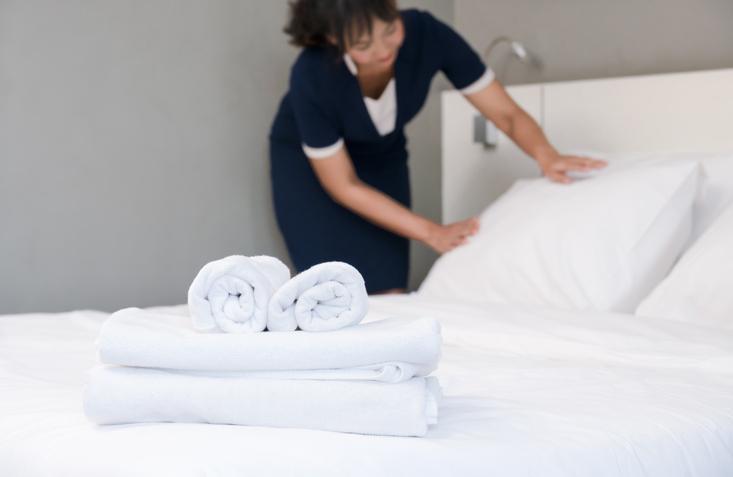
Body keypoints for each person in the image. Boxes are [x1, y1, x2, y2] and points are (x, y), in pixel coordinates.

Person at [269, 0, 605, 294]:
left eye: (390, 30)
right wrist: (432, 232)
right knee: (331, 289)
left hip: (382, 155)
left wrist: (546, 155)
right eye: (363, 43)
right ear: (333, 38)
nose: (384, 49)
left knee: (388, 283)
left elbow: (505, 112)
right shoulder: (313, 74)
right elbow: (342, 184)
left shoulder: (427, 35)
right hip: (312, 171)